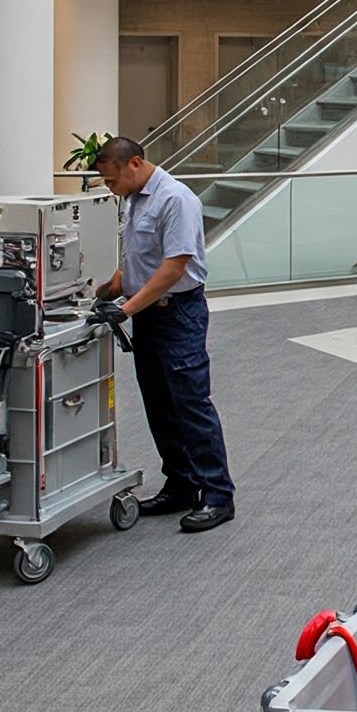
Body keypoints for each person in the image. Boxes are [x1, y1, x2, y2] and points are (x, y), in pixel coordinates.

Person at [92, 135, 237, 532]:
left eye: (111, 181)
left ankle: (218, 495)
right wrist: (102, 292)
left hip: (179, 315)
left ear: (134, 164)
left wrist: (125, 310)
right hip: (148, 316)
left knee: (190, 403)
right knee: (158, 403)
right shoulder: (135, 200)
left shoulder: (177, 200)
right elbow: (135, 263)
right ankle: (182, 485)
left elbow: (174, 267)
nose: (110, 189)